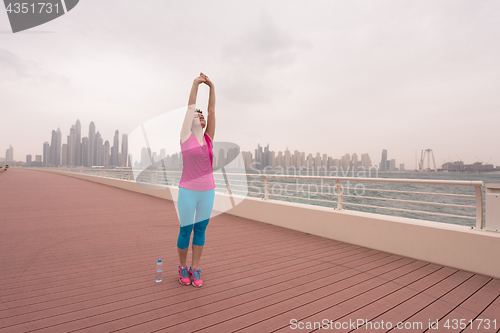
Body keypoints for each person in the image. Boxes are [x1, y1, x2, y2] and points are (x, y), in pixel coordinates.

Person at [176, 73, 216, 287]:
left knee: (200, 230)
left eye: (202, 117)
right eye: (196, 116)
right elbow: (191, 106)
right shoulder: (185, 137)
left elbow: (212, 110)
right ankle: (182, 266)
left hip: (208, 191)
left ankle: (195, 268)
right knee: (186, 230)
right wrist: (195, 84)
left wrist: (211, 87)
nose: (201, 118)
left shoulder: (208, 138)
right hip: (188, 190)